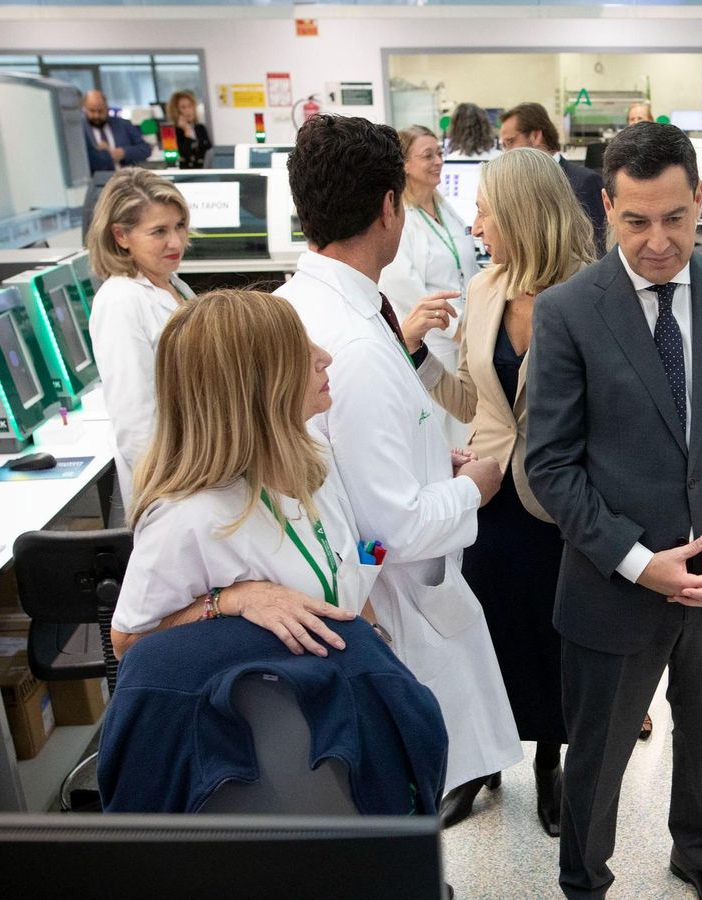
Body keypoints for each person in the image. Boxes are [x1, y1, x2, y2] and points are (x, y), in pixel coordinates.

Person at [525, 122, 702, 900]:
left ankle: (699, 854)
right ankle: (584, 878)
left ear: (699, 201)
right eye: (636, 221)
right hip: (615, 586)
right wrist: (641, 563)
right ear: (607, 207)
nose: (658, 241)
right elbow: (551, 465)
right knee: (599, 755)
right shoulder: (569, 310)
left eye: (675, 218)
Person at [275, 114, 523, 809]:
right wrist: (474, 484)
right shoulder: (352, 343)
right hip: (386, 595)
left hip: (375, 573)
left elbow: (351, 460)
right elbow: (391, 530)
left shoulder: (303, 306)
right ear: (390, 206)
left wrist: (423, 456)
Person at [417, 147, 596, 837]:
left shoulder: (589, 291)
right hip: (489, 494)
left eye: (486, 206)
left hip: (559, 498)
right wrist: (417, 357)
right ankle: (482, 768)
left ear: (522, 210)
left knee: (554, 639)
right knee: (485, 634)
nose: (476, 219)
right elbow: (473, 398)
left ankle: (550, 764)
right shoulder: (484, 287)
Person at [108, 289, 372, 659]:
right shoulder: (188, 517)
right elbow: (129, 642)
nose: (324, 358)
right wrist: (228, 600)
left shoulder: (310, 453)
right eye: (300, 350)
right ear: (254, 386)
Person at [86, 167, 195, 509]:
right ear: (121, 235)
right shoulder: (120, 300)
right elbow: (135, 422)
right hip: (170, 486)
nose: (175, 242)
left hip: (196, 468)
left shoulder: (174, 285)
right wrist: (172, 493)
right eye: (158, 231)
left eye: (179, 226)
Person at [379, 125, 479, 447]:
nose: (438, 161)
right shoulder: (401, 218)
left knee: (467, 430)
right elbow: (406, 290)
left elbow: (469, 268)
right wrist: (463, 330)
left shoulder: (444, 207)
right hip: (435, 345)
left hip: (468, 336)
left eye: (439, 153)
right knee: (441, 435)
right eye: (427, 155)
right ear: (404, 164)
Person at [500, 103, 609, 256]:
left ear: (535, 136)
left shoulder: (584, 182)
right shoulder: (514, 187)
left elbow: (598, 250)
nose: (506, 153)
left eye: (510, 142)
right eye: (503, 146)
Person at [82, 89, 153, 174]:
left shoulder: (124, 124)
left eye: (100, 111)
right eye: (92, 111)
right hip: (95, 181)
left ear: (107, 107)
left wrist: (123, 153)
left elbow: (145, 149)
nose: (96, 115)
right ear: (85, 109)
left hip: (126, 179)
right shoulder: (81, 131)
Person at [166, 90, 212, 170]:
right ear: (176, 110)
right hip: (184, 172)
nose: (188, 110)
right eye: (183, 107)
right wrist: (187, 132)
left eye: (190, 106)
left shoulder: (200, 128)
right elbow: (184, 154)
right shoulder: (171, 131)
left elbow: (207, 151)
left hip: (203, 170)